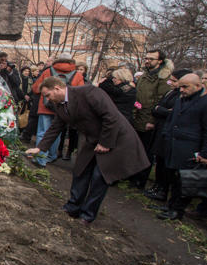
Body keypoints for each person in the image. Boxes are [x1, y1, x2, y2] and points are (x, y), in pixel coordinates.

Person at [26, 77, 150, 225]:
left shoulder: (89, 92)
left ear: (57, 89)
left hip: (115, 138)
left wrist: (105, 143)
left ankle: (87, 215)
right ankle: (72, 207)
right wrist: (40, 148)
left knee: (99, 177)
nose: (47, 99)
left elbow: (111, 116)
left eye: (48, 95)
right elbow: (55, 127)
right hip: (93, 140)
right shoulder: (60, 105)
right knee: (80, 170)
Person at [156, 74, 207, 220]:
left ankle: (177, 210)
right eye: (181, 86)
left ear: (198, 86)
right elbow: (170, 119)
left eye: (185, 87)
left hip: (190, 148)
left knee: (183, 180)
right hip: (173, 144)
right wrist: (166, 134)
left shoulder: (204, 102)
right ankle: (170, 205)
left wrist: (204, 152)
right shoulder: (180, 100)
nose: (182, 89)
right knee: (173, 177)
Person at [143, 69, 193, 203]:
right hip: (161, 129)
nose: (170, 82)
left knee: (165, 163)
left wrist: (161, 110)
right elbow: (156, 108)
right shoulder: (169, 92)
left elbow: (173, 112)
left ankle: (162, 190)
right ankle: (157, 186)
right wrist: (161, 110)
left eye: (174, 81)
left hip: (169, 130)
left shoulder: (181, 96)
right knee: (159, 161)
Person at [31, 54, 86, 167]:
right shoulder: (77, 74)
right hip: (64, 107)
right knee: (57, 132)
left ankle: (41, 159)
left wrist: (45, 95)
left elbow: (36, 88)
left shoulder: (48, 71)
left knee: (42, 132)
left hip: (45, 106)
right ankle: (52, 156)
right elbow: (80, 91)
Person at [130, 49, 174, 189]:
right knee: (135, 149)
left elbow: (161, 101)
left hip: (149, 120)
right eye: (147, 58)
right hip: (138, 116)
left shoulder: (163, 78)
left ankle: (140, 180)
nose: (147, 61)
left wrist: (152, 120)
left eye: (151, 59)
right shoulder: (144, 75)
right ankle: (131, 175)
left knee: (146, 152)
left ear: (160, 61)